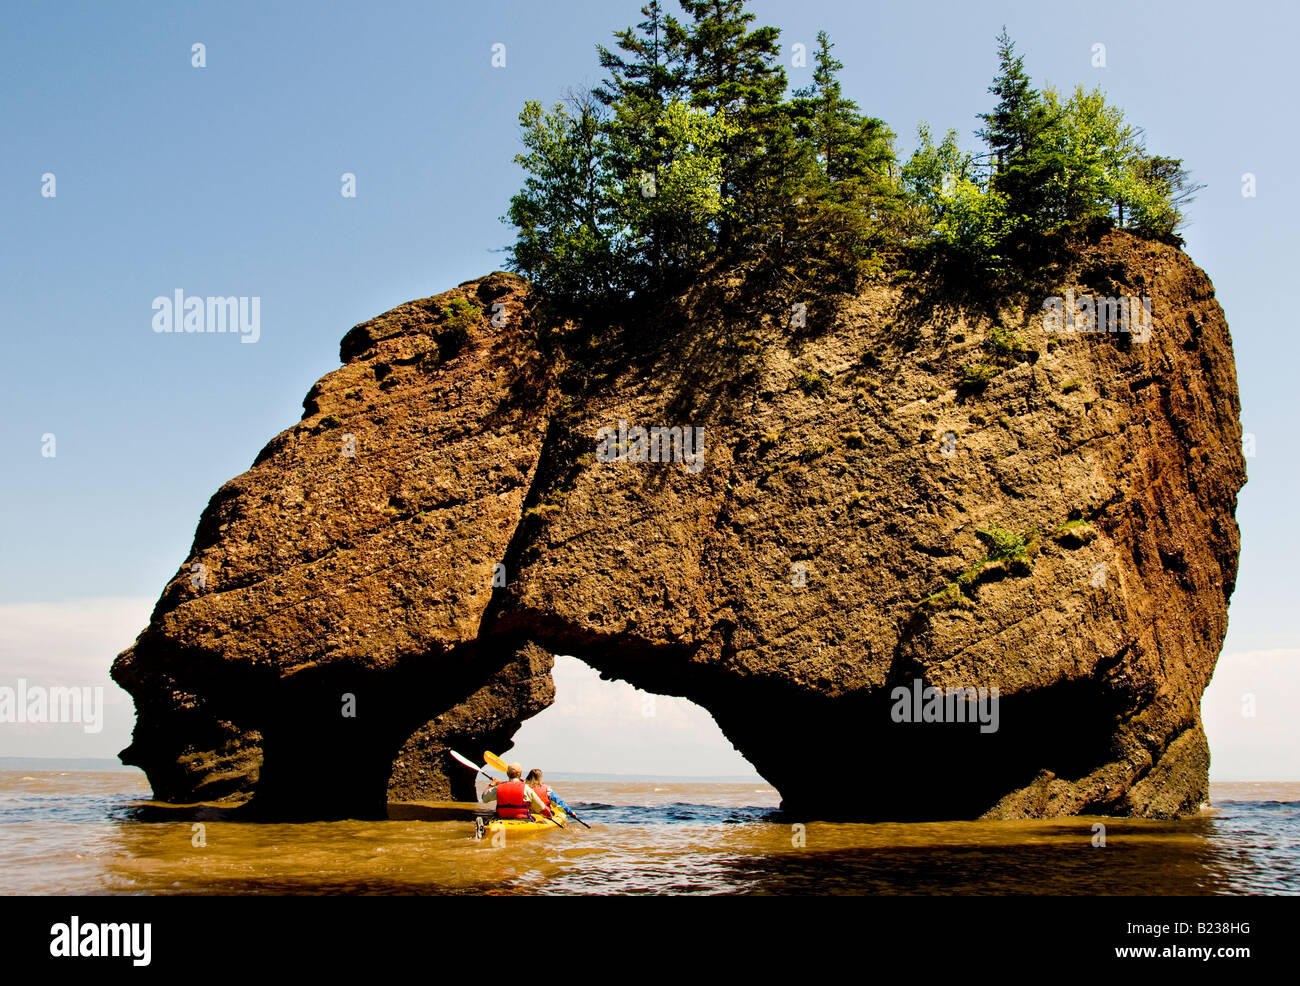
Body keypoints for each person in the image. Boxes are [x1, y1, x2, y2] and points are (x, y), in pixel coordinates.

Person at [481, 762, 551, 819]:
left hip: (501, 818)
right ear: (520, 774)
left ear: (507, 774)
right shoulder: (526, 788)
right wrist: (549, 815)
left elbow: (484, 798)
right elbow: (541, 808)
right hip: (521, 819)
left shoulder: (499, 787)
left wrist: (492, 784)